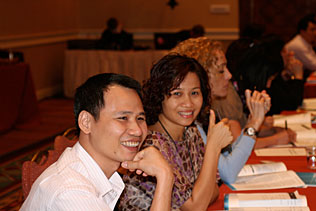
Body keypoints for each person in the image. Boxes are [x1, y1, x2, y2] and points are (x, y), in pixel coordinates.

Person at [119, 54, 266, 210]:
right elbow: (195, 207)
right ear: (159, 96)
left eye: (194, 93)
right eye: (177, 94)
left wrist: (198, 195)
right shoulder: (150, 146)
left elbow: (213, 190)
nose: (188, 103)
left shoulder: (191, 133)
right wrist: (213, 146)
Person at [21, 73, 174, 211]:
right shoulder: (71, 192)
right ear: (86, 122)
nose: (138, 130)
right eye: (123, 118)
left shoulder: (95, 173)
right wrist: (165, 176)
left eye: (140, 118)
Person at [170, 37, 269, 183]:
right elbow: (227, 172)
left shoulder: (204, 112)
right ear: (200, 75)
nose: (229, 75)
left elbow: (226, 156)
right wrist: (253, 125)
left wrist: (251, 122)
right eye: (221, 70)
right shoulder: (187, 119)